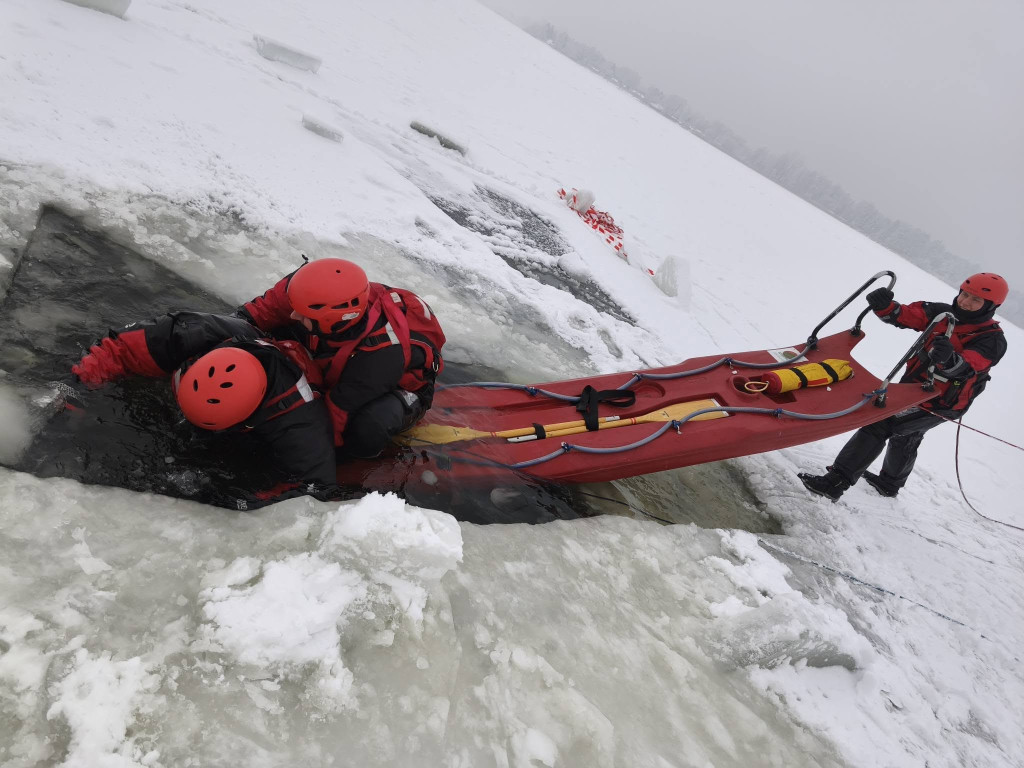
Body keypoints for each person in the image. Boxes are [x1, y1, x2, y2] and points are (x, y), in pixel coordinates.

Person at [71, 311, 340, 507]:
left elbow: (317, 485)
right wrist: (75, 392)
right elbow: (118, 349)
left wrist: (239, 502)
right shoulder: (192, 333)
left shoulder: (299, 420)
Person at [799, 272, 1009, 502]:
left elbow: (968, 366)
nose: (965, 302)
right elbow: (907, 316)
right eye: (964, 295)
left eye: (975, 300)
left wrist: (948, 359)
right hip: (913, 390)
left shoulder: (992, 339)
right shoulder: (941, 313)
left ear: (991, 306)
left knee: (880, 424)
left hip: (943, 402)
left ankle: (834, 483)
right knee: (906, 435)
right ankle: (889, 484)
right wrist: (885, 306)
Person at [235, 257, 445, 458]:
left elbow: (337, 414)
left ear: (331, 321)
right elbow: (260, 311)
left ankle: (355, 463)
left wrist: (298, 447)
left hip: (396, 384)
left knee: (371, 426)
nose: (293, 315)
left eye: (302, 313)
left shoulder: (380, 357)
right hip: (347, 352)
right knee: (266, 333)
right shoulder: (309, 287)